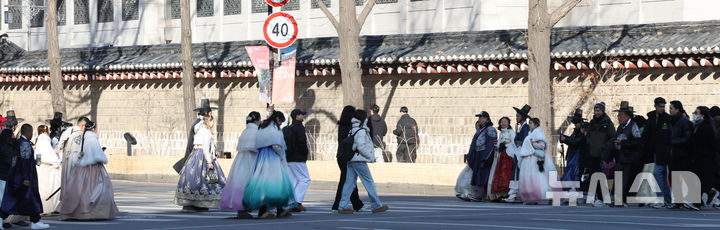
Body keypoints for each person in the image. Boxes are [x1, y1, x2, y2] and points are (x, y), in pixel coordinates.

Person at [58, 121, 118, 220]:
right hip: (93, 168)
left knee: (80, 189)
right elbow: (97, 155)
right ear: (93, 129)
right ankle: (93, 213)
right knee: (98, 189)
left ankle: (78, 212)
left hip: (81, 168)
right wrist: (102, 155)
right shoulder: (92, 139)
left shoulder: (84, 138)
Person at [243, 111, 295, 219]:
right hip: (272, 157)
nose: (280, 124)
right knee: (275, 183)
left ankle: (277, 209)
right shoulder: (274, 129)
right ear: (277, 119)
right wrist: (282, 156)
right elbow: (276, 145)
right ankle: (272, 210)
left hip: (262, 156)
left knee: (263, 183)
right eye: (281, 122)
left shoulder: (262, 127)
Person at [338, 110, 389, 214]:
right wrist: (369, 155)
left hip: (351, 159)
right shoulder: (361, 131)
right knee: (369, 182)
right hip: (359, 160)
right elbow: (361, 146)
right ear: (363, 119)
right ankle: (376, 205)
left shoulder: (352, 129)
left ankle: (342, 206)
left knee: (349, 183)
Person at [0, 124, 50, 229]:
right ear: (27, 132)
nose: (32, 135)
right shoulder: (24, 144)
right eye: (31, 132)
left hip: (18, 176)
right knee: (16, 199)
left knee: (28, 199)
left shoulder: (20, 143)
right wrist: (26, 178)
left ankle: (35, 221)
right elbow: (24, 162)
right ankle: (1, 218)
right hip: (23, 177)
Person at [173, 99, 217, 212]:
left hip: (196, 153)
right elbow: (201, 142)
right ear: (208, 113)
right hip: (199, 153)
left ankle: (197, 203)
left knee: (196, 180)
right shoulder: (201, 125)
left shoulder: (197, 123)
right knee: (199, 180)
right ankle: (197, 203)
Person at [175, 115, 226, 211]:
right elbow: (205, 149)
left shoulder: (199, 131)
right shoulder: (206, 132)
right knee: (207, 181)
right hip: (202, 155)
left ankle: (193, 203)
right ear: (209, 122)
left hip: (194, 155)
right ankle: (203, 203)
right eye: (212, 122)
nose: (213, 124)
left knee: (193, 180)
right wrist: (209, 161)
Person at [220, 112, 262, 219]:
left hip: (240, 160)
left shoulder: (245, 131)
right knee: (252, 183)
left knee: (240, 183)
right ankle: (252, 207)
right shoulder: (256, 132)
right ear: (257, 121)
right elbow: (256, 147)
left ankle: (241, 209)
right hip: (251, 159)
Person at [603, 102, 643, 207]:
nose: (619, 118)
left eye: (620, 116)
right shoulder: (620, 127)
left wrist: (624, 143)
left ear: (627, 116)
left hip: (630, 158)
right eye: (618, 116)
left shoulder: (633, 127)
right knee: (618, 178)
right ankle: (617, 199)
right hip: (620, 157)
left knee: (625, 180)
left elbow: (638, 143)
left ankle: (622, 200)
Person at [332, 106, 364, 211]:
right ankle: (337, 205)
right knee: (346, 181)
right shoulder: (351, 127)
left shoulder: (341, 125)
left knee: (348, 180)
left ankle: (357, 204)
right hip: (348, 156)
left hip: (341, 156)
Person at [517, 118, 556, 204]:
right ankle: (531, 197)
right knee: (530, 178)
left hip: (537, 157)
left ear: (536, 125)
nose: (529, 125)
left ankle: (543, 195)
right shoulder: (530, 133)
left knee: (539, 178)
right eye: (529, 123)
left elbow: (542, 146)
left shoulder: (538, 133)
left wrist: (532, 144)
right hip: (530, 158)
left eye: (531, 123)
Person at [643, 97, 673, 209]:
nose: (662, 109)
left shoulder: (667, 119)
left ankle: (661, 198)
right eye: (660, 106)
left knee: (658, 172)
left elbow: (669, 134)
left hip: (665, 151)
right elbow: (647, 134)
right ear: (655, 106)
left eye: (663, 107)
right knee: (662, 174)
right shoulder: (651, 118)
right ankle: (666, 199)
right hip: (655, 151)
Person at [668, 100, 697, 210]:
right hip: (674, 154)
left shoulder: (683, 121)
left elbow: (687, 138)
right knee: (674, 178)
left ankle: (694, 200)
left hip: (683, 154)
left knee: (686, 177)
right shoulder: (672, 121)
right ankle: (678, 201)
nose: (669, 110)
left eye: (671, 108)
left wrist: (674, 142)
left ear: (677, 109)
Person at [586, 102, 615, 207]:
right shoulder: (592, 123)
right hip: (592, 154)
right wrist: (590, 143)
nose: (596, 112)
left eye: (598, 110)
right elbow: (588, 135)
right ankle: (598, 197)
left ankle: (604, 198)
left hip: (603, 154)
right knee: (594, 176)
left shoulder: (608, 123)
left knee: (601, 177)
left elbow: (612, 137)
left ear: (603, 111)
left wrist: (604, 147)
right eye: (595, 110)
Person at [283, 109, 311, 213]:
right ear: (297, 116)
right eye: (302, 115)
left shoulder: (288, 128)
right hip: (298, 157)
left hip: (288, 157)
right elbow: (302, 142)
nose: (303, 117)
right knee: (305, 179)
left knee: (293, 181)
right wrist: (305, 153)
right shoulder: (299, 127)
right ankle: (297, 202)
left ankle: (290, 203)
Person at [465, 111, 496, 200]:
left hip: (484, 155)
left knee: (483, 174)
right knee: (478, 173)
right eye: (479, 118)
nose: (479, 120)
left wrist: (486, 157)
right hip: (478, 154)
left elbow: (490, 144)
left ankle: (479, 194)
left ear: (486, 119)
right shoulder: (480, 129)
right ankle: (480, 194)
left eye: (481, 118)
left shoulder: (490, 129)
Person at [690, 106, 717, 208]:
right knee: (699, 180)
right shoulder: (697, 126)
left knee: (700, 180)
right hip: (698, 158)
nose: (694, 114)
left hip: (705, 158)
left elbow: (712, 144)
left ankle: (697, 202)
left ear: (702, 115)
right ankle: (705, 196)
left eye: (696, 113)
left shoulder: (706, 127)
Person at [505, 104, 531, 202]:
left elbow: (525, 140)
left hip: (520, 152)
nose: (516, 118)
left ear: (523, 118)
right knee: (516, 172)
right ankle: (515, 194)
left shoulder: (525, 128)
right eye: (516, 116)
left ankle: (515, 194)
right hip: (518, 152)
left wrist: (516, 143)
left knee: (518, 173)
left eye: (518, 116)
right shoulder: (522, 128)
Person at [34, 125, 62, 215]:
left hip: (40, 167)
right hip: (48, 168)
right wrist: (57, 163)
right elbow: (51, 157)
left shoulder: (38, 141)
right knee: (48, 189)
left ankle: (40, 208)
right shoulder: (45, 141)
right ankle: (46, 208)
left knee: (40, 188)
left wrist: (39, 164)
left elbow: (38, 156)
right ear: (46, 132)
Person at [487, 117, 515, 201]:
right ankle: (500, 193)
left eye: (505, 122)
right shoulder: (502, 133)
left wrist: (505, 146)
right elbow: (500, 143)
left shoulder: (511, 132)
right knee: (500, 174)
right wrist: (498, 146)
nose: (503, 123)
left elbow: (513, 143)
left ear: (508, 123)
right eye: (502, 122)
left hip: (508, 156)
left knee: (505, 174)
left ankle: (507, 192)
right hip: (501, 155)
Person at [560, 109, 587, 183]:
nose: (575, 125)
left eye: (576, 123)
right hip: (572, 154)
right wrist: (565, 138)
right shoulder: (576, 131)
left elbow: (576, 142)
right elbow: (572, 139)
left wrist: (565, 139)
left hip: (577, 156)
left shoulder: (582, 132)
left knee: (574, 173)